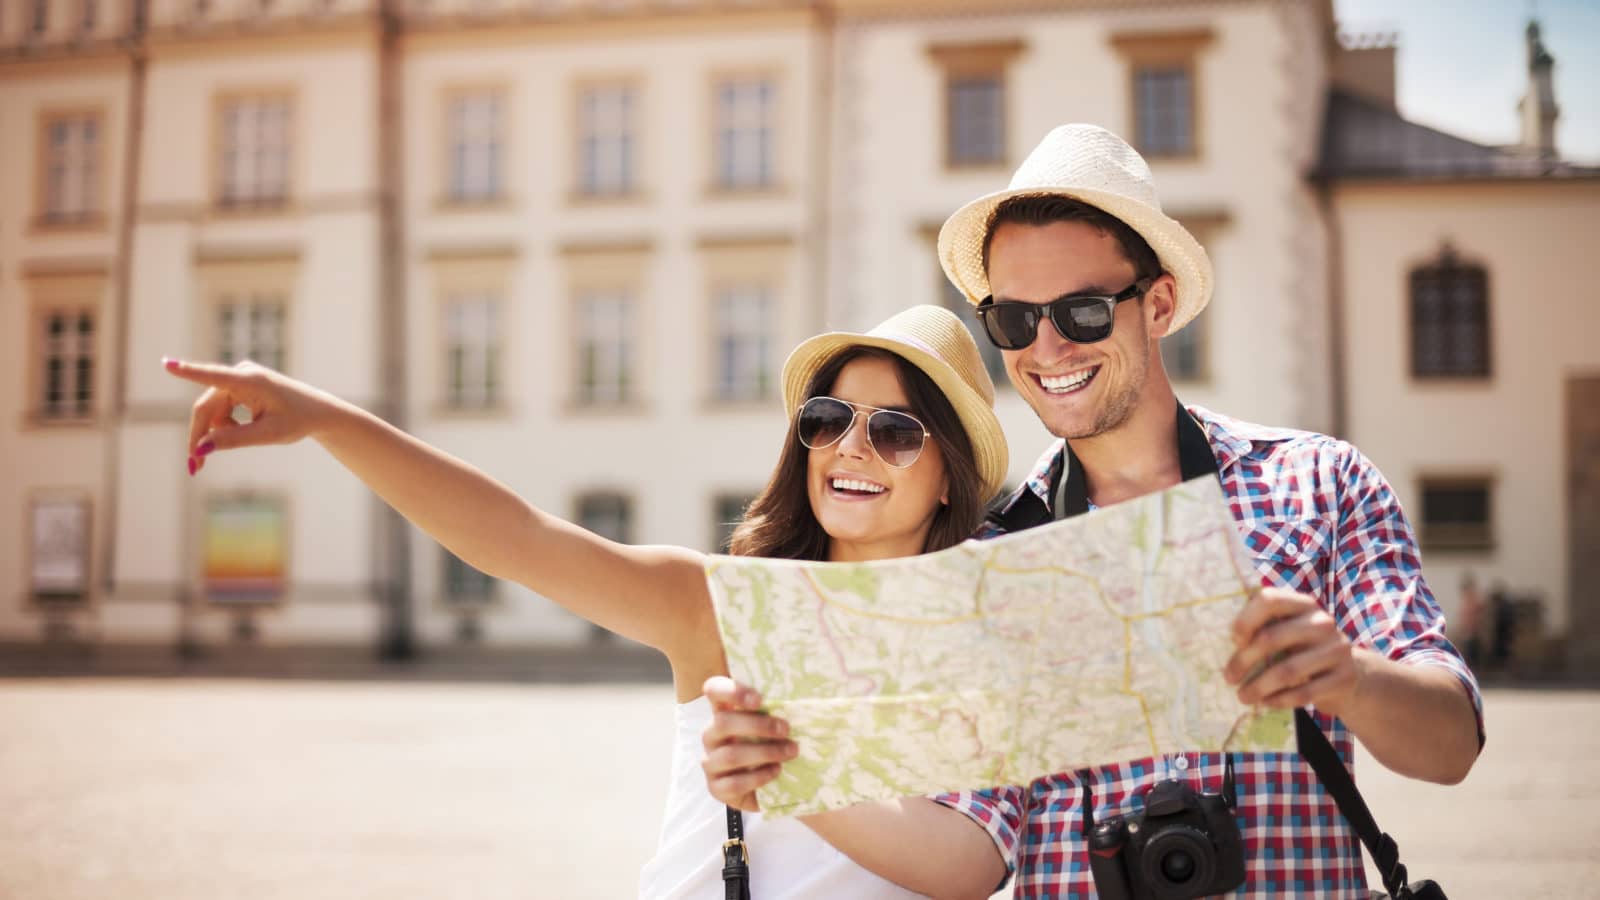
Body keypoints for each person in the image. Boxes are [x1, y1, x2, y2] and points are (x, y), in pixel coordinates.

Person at [701, 124, 1486, 897]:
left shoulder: (1322, 482)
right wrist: (792, 766)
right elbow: (972, 850)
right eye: (1012, 320)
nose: (1046, 350)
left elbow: (1451, 745)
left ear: (1162, 303)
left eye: (1081, 312)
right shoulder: (987, 562)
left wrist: (1346, 679)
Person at [162, 304, 1012, 899]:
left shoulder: (982, 641)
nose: (852, 448)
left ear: (948, 481)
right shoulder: (727, 607)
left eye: (896, 432)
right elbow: (516, 538)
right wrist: (327, 419)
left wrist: (791, 774)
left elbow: (972, 866)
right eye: (829, 419)